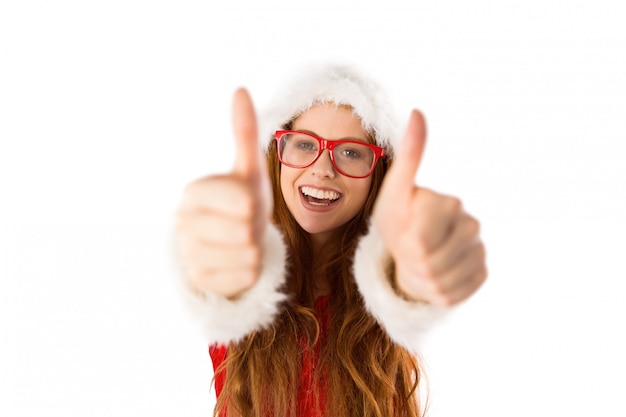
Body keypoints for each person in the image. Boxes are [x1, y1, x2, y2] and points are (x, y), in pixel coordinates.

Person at [175, 64, 487, 417]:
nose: (323, 168)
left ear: (378, 175)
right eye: (305, 145)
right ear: (278, 156)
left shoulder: (388, 294)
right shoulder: (242, 275)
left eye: (350, 152)